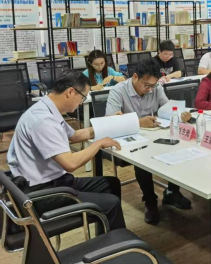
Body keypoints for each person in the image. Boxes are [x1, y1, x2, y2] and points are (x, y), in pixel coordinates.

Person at [7, 71, 126, 231]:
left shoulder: (46, 109)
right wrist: (98, 144)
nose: (81, 103)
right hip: (42, 192)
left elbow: (74, 136)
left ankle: (108, 233)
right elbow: (70, 164)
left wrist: (108, 122)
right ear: (70, 92)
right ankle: (114, 242)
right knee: (111, 203)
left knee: (111, 184)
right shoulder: (43, 121)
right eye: (82, 97)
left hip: (53, 181)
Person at [105, 59, 193, 225]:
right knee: (142, 160)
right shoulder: (118, 91)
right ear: (135, 77)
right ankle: (150, 201)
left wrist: (180, 114)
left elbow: (166, 108)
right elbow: (110, 121)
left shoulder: (156, 87)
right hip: (130, 141)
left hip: (153, 133)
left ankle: (172, 192)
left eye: (153, 86)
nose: (150, 89)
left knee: (177, 147)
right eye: (146, 85)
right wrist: (138, 122)